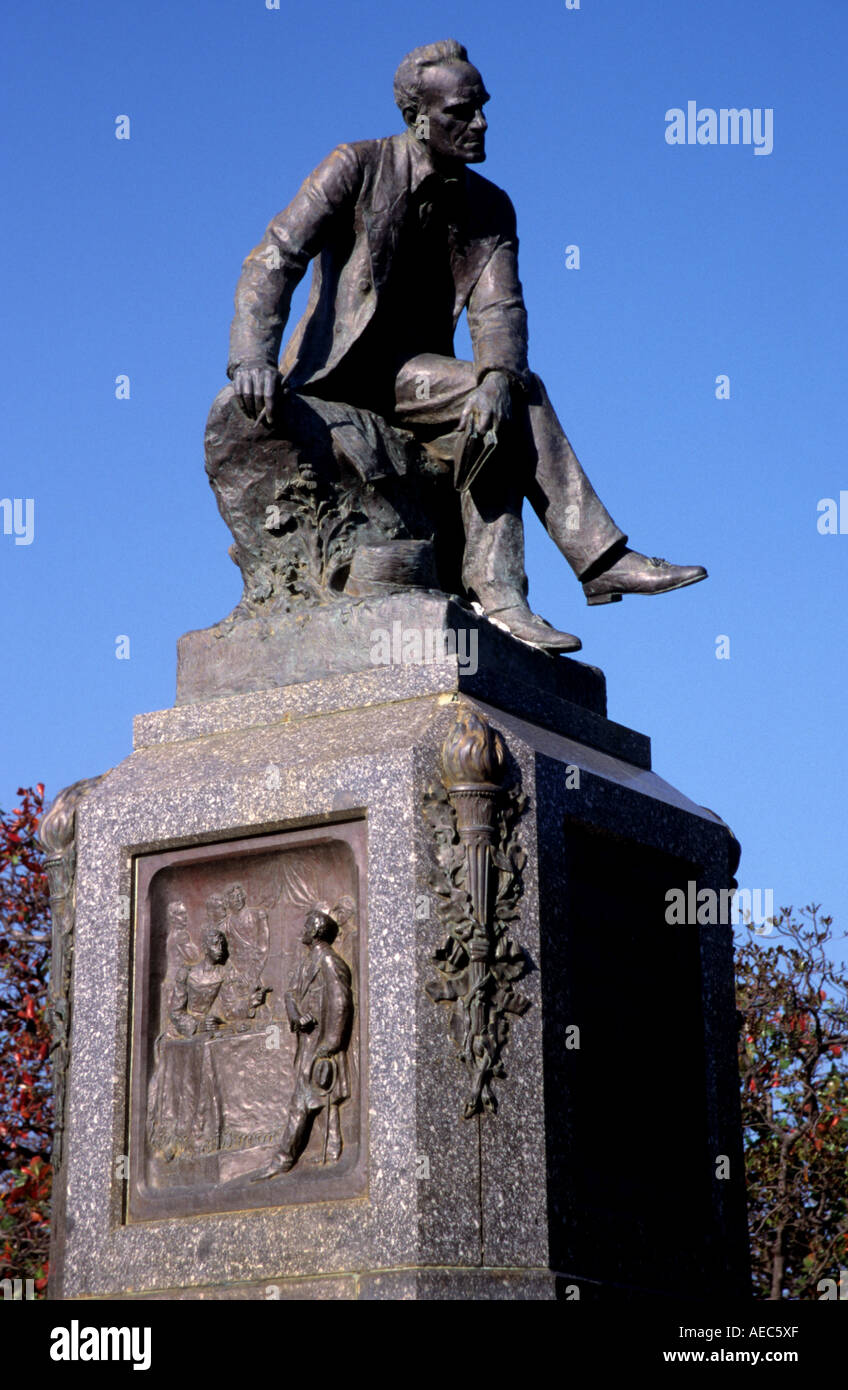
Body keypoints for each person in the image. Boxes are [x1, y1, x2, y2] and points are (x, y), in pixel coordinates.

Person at [226, 39, 706, 652]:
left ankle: (504, 593)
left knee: (505, 392)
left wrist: (497, 378)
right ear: (417, 117)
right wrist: (251, 358)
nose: (479, 124)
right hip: (341, 376)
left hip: (416, 380)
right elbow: (274, 257)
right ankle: (594, 561)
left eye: (482, 107)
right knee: (501, 390)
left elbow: (499, 310)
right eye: (460, 112)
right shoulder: (355, 164)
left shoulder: (490, 206)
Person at [253, 906, 353, 1177]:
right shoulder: (306, 964)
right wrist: (297, 1015)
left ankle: (283, 1159)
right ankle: (332, 1151)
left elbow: (341, 1003)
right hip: (306, 1042)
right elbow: (290, 996)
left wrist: (329, 1045)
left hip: (321, 1045)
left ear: (317, 930)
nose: (303, 930)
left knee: (302, 1100)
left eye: (307, 926)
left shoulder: (329, 962)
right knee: (317, 1099)